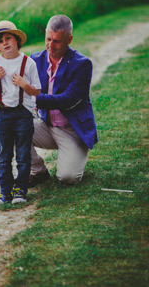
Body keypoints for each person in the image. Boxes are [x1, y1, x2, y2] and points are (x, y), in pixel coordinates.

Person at [29, 14, 98, 186]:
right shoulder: (35, 60)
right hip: (46, 125)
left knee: (68, 178)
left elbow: (68, 99)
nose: (50, 45)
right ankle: (37, 170)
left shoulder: (82, 64)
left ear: (69, 39)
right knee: (9, 125)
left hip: (72, 130)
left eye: (57, 41)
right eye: (48, 39)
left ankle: (74, 153)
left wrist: (34, 98)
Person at [0, 21, 41, 205]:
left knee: (23, 155)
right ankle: (5, 191)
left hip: (23, 114)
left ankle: (20, 190)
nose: (5, 43)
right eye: (0, 41)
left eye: (8, 38)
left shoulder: (28, 63)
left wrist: (25, 85)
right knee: (4, 155)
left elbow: (37, 92)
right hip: (2, 115)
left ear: (17, 40)